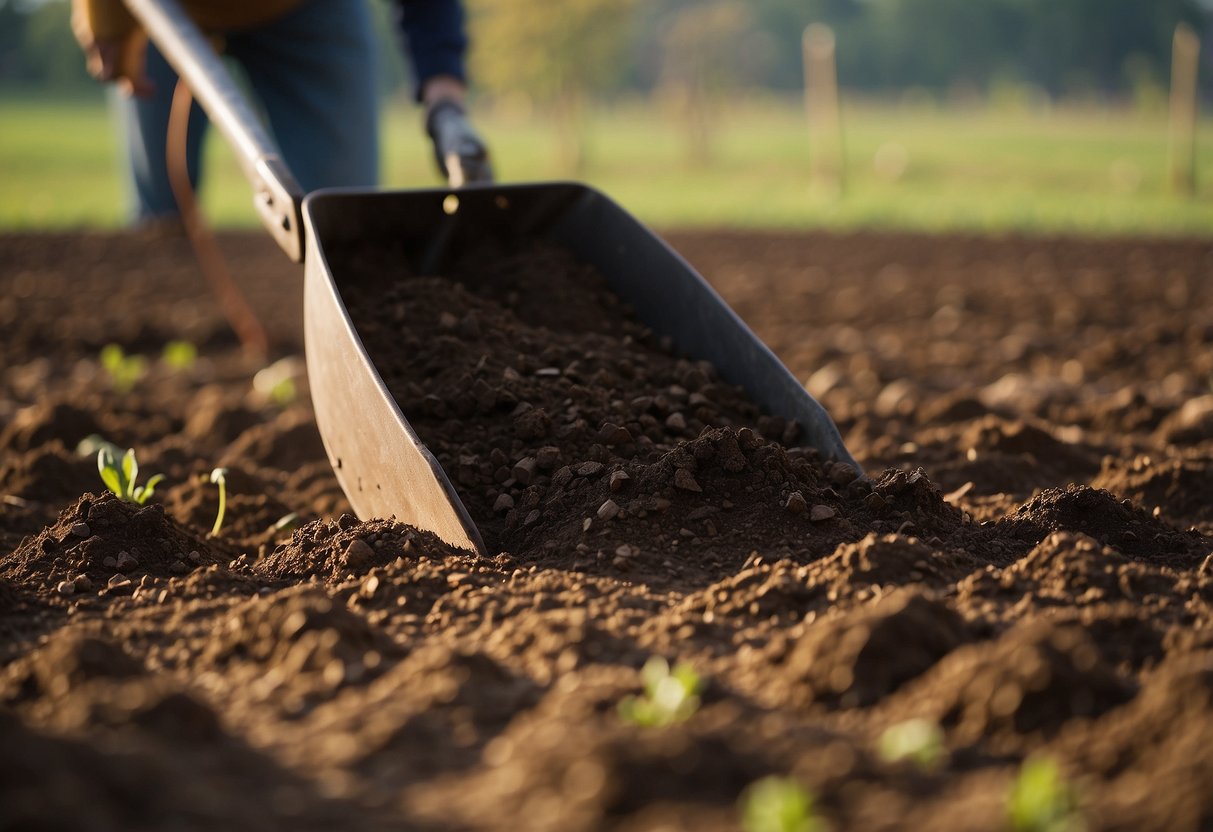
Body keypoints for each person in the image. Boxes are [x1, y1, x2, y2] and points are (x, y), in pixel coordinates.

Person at [70, 0, 492, 227]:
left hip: (306, 10)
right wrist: (103, 12)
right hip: (169, 8)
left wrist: (445, 101)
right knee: (161, 212)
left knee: (342, 219)